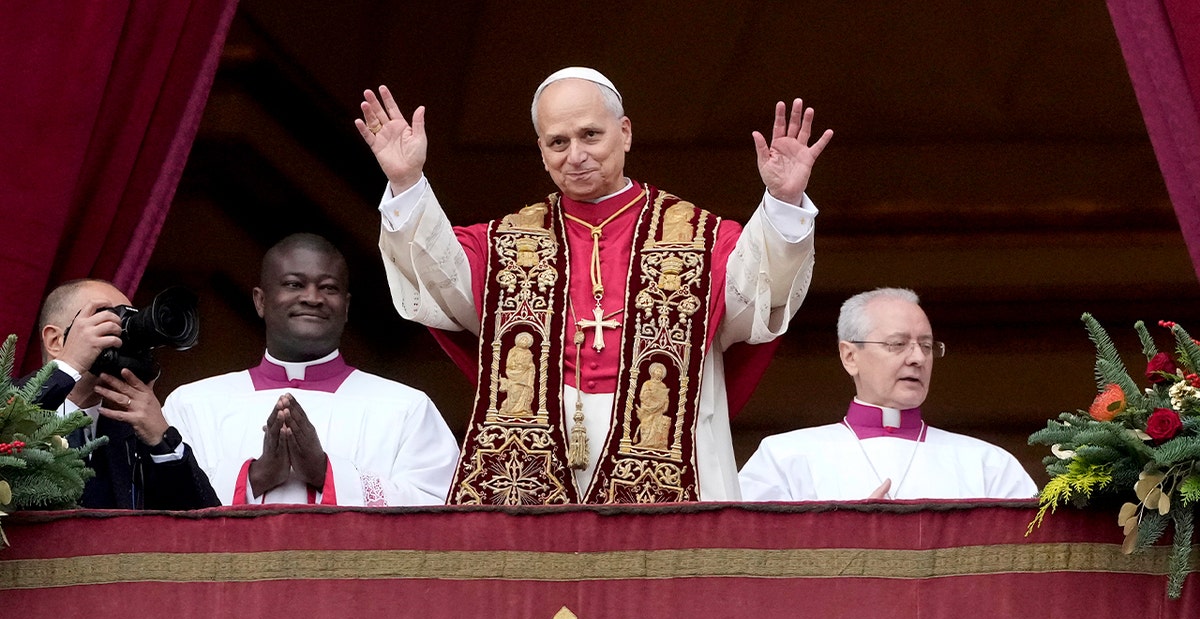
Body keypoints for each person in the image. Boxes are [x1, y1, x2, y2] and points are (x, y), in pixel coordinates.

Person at [358, 66, 832, 504]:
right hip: (534, 445)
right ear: (541, 152)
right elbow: (442, 281)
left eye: (590, 135)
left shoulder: (699, 238)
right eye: (558, 142)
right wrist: (408, 183)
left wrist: (784, 201)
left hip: (668, 443)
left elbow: (758, 292)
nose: (576, 156)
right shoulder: (506, 241)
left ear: (624, 133)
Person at [162, 234, 459, 506]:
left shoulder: (407, 408)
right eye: (294, 284)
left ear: (346, 307)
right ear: (260, 301)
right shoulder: (192, 405)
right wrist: (257, 476)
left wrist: (325, 472)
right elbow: (159, 505)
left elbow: (439, 512)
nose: (313, 298)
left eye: (328, 288)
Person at [739, 288, 1037, 501]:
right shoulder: (783, 459)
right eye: (897, 344)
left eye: (927, 345)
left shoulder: (989, 465)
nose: (917, 358)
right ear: (850, 356)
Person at [34, 279, 219, 509]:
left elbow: (205, 526)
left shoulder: (131, 436)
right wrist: (66, 369)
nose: (120, 336)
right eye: (104, 320)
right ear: (55, 341)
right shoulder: (10, 402)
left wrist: (163, 442)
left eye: (125, 323)